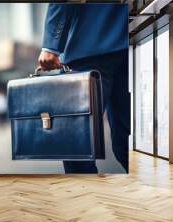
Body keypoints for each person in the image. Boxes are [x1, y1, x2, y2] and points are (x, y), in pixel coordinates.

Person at [38, 4, 130, 173]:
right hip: (128, 41)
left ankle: (87, 196)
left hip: (88, 44)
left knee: (75, 146)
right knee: (127, 141)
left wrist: (51, 45)